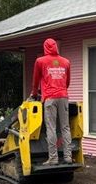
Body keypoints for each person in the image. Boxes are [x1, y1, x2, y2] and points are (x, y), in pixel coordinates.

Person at [30, 37, 72, 165]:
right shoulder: (66, 62)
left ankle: (53, 158)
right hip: (63, 97)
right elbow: (67, 81)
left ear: (45, 48)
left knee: (51, 128)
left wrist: (34, 94)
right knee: (65, 127)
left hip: (50, 98)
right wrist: (62, 91)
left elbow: (35, 81)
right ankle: (68, 157)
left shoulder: (40, 61)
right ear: (56, 47)